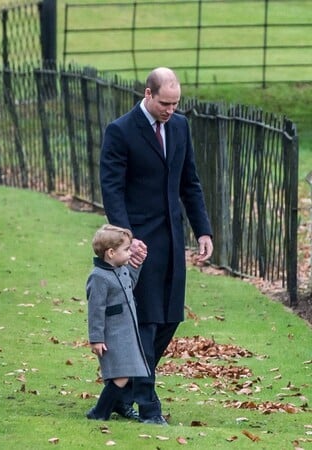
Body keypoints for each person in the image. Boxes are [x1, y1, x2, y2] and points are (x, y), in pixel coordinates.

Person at [99, 67, 213, 425]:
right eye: (165, 103)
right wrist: (126, 239)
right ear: (147, 94)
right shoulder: (120, 131)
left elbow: (189, 183)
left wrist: (203, 231)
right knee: (145, 321)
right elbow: (112, 189)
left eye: (176, 104)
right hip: (136, 242)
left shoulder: (179, 127)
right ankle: (149, 407)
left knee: (168, 318)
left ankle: (115, 398)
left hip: (172, 238)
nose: (170, 110)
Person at [86, 224, 149, 421]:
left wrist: (136, 266)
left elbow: (129, 285)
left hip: (127, 334)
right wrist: (96, 339)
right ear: (111, 253)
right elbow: (95, 310)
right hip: (112, 336)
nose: (130, 253)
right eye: (126, 250)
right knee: (121, 376)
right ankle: (99, 412)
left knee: (124, 375)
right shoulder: (98, 277)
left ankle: (102, 411)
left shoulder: (121, 269)